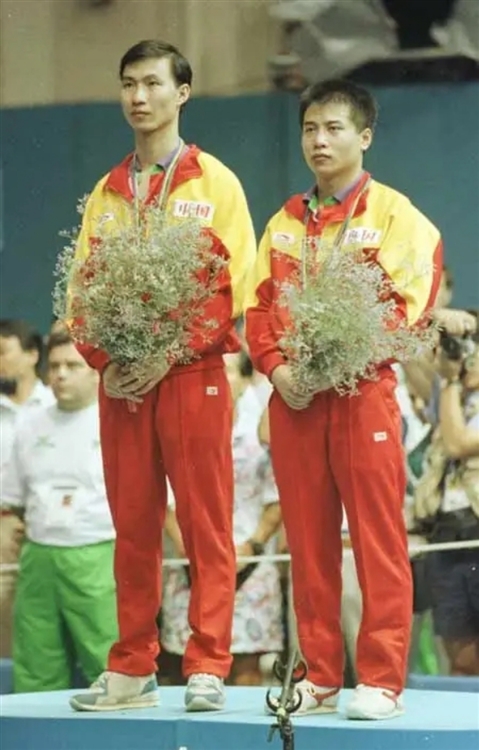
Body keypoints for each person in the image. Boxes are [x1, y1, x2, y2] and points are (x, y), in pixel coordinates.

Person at [245, 79, 443, 720]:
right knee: (308, 545)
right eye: (310, 129)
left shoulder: (397, 217)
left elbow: (412, 307)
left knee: (377, 541)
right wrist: (277, 371)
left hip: (362, 397)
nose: (319, 140)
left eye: (334, 128)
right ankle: (321, 676)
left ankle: (382, 680)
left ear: (365, 137)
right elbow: (258, 310)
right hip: (296, 401)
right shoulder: (283, 222)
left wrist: (343, 362)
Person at [68, 40, 256, 712]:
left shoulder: (215, 182)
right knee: (133, 527)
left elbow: (238, 283)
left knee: (205, 524)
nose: (138, 96)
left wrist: (170, 352)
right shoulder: (107, 192)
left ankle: (207, 664)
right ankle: (131, 666)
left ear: (182, 93)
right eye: (128, 83)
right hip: (124, 384)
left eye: (151, 83)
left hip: (191, 376)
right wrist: (106, 361)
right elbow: (80, 292)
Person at [1, 330, 117, 692]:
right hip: (39, 554)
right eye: (54, 366)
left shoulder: (117, 420)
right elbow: (12, 498)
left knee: (109, 661)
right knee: (37, 664)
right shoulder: (29, 422)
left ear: (96, 371)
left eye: (72, 365)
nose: (61, 374)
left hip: (98, 550)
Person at [161, 352, 283, 686]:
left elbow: (278, 493)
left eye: (226, 371)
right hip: (190, 562)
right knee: (187, 663)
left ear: (245, 379)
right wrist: (186, 546)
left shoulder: (260, 431)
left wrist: (253, 544)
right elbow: (166, 495)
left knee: (246, 668)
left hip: (250, 560)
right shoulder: (181, 423)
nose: (217, 378)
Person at [0, 319, 54, 658]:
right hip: (4, 525)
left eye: (3, 352)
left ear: (33, 354)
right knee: (4, 610)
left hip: (50, 525)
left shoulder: (55, 406)